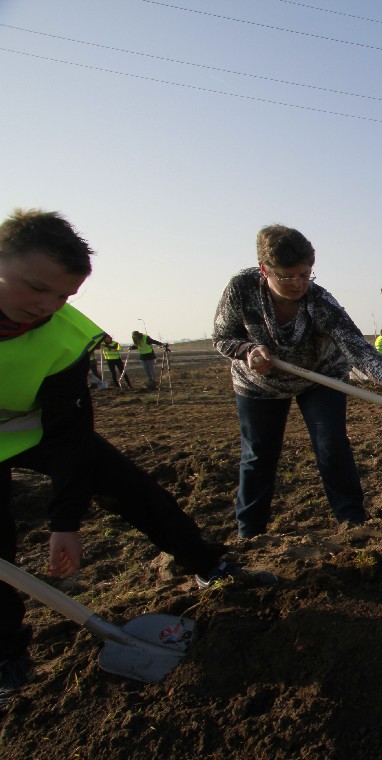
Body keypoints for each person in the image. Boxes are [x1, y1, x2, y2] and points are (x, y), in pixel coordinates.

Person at [0, 209, 268, 705]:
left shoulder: (64, 336)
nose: (47, 306)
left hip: (36, 431)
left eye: (63, 297)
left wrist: (66, 521)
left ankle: (207, 564)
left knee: (134, 490)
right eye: (36, 288)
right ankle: (7, 658)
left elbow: (71, 437)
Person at [213, 225, 382, 538]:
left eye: (305, 274)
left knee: (331, 446)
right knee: (259, 454)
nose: (299, 284)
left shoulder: (320, 302)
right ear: (264, 270)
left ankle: (353, 522)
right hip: (259, 383)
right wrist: (247, 351)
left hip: (320, 376)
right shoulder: (241, 290)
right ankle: (250, 534)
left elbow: (360, 350)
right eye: (287, 276)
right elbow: (221, 337)